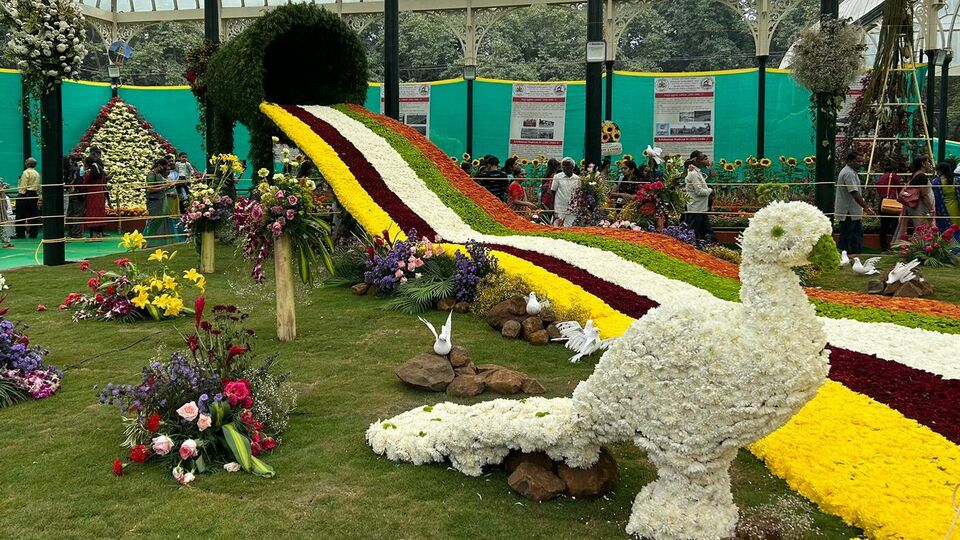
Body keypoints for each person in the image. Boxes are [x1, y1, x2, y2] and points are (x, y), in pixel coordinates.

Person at [834, 151, 873, 254]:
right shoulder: (848, 173)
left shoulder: (851, 172)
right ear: (850, 161)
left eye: (861, 161)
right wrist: (866, 207)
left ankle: (854, 256)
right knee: (848, 236)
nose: (860, 164)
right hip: (849, 211)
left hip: (853, 211)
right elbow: (854, 192)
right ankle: (845, 255)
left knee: (855, 235)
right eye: (858, 161)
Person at [892, 156, 935, 241]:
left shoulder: (915, 174)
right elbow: (924, 194)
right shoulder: (921, 176)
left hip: (917, 207)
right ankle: (922, 249)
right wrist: (930, 209)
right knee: (923, 229)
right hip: (921, 208)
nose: (929, 164)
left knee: (920, 228)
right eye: (928, 162)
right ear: (923, 164)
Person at [145, 159, 177, 246]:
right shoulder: (151, 174)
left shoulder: (158, 174)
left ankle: (159, 242)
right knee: (155, 220)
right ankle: (149, 242)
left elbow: (162, 187)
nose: (166, 169)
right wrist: (164, 186)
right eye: (164, 166)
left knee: (162, 219)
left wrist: (169, 187)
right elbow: (150, 189)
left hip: (161, 199)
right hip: (154, 201)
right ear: (159, 165)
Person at [683, 151, 714, 241]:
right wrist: (711, 190)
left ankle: (713, 244)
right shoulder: (693, 174)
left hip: (700, 208)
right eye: (701, 159)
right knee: (693, 231)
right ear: (695, 160)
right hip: (696, 208)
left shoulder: (696, 172)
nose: (703, 161)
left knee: (705, 229)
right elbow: (699, 191)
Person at [875, 163, 902, 251]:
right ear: (893, 171)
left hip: (883, 203)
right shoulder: (892, 176)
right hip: (892, 203)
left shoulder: (880, 178)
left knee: (883, 226)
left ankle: (883, 247)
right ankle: (894, 246)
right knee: (895, 225)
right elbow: (899, 189)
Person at [82, 151, 107, 239]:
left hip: (91, 196)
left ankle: (93, 235)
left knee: (92, 214)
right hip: (100, 195)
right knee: (99, 214)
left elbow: (85, 184)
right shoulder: (101, 171)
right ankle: (99, 234)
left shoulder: (89, 173)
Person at [14, 157, 41, 239]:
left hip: (25, 194)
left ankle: (20, 234)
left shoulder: (26, 172)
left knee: (20, 215)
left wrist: (20, 194)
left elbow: (23, 185)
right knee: (33, 214)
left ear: (27, 163)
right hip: (34, 194)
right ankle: (33, 233)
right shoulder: (37, 173)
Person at [551, 157, 581, 227]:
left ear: (572, 167)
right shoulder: (557, 177)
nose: (565, 168)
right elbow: (553, 192)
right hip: (559, 208)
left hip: (572, 209)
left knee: (570, 228)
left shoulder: (577, 178)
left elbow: (578, 193)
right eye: (563, 166)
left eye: (567, 166)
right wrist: (552, 209)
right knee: (557, 228)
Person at [64, 155, 84, 239]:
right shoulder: (76, 170)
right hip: (76, 192)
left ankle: (70, 232)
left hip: (69, 192)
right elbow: (79, 180)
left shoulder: (65, 171)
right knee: (77, 213)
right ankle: (76, 233)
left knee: (70, 212)